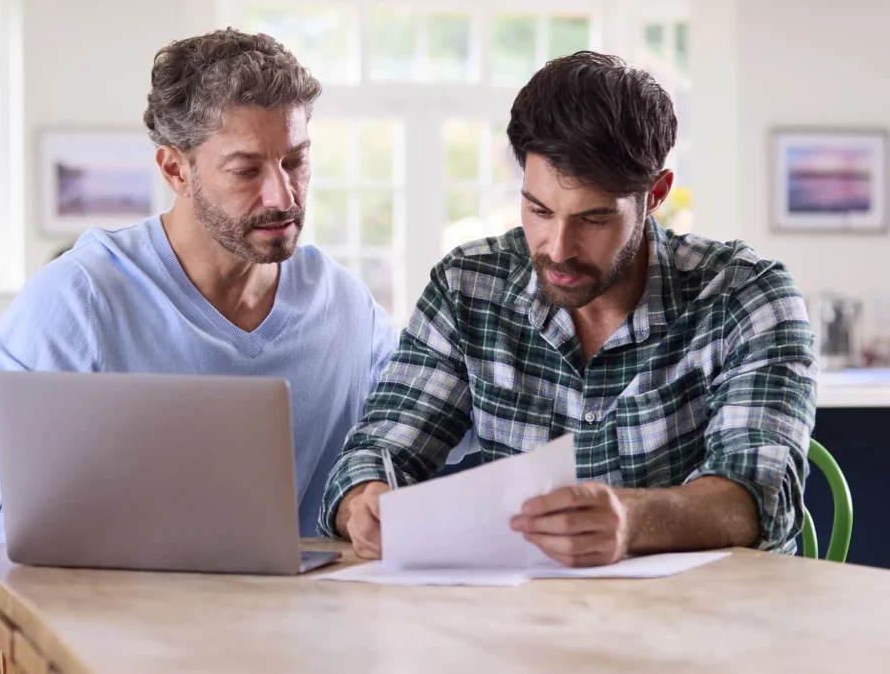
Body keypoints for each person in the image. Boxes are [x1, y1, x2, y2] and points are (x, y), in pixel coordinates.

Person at [320, 51, 817, 567]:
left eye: (594, 219)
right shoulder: (468, 286)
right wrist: (364, 500)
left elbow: (756, 498)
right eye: (538, 209)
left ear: (656, 195)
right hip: (526, 622)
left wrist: (631, 520)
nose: (557, 248)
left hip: (710, 623)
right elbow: (379, 448)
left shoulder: (746, 296)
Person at [0, 28, 397, 542]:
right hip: (131, 611)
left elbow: (416, 432)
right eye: (246, 170)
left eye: (295, 161)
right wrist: (133, 533)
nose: (282, 195)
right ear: (175, 169)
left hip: (312, 613)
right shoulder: (80, 297)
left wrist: (374, 489)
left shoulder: (347, 306)